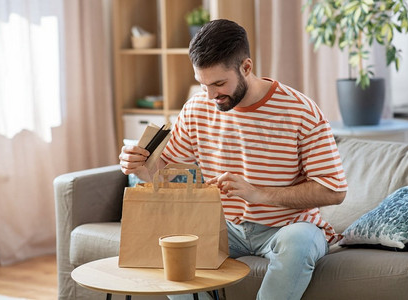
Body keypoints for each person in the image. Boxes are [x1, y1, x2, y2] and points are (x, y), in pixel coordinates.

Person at [119, 19, 347, 300]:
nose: (211, 96)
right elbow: (165, 173)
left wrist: (257, 193)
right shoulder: (197, 108)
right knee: (173, 247)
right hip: (222, 227)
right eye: (203, 84)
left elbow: (334, 190)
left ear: (246, 67)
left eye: (219, 83)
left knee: (299, 241)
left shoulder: (301, 111)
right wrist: (142, 166)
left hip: (288, 228)